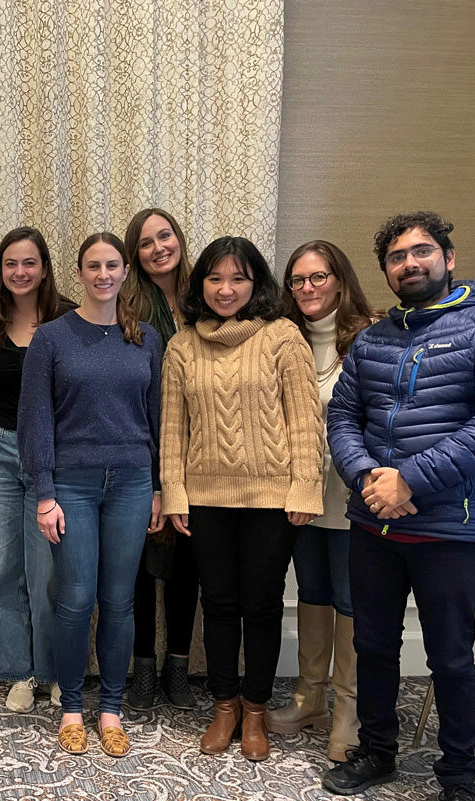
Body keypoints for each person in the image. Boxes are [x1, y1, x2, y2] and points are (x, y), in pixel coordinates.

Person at [324, 212, 475, 801]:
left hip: (452, 529)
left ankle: (460, 779)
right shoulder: (372, 339)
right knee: (373, 647)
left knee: (451, 657)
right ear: (385, 269)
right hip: (375, 525)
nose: (409, 264)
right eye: (396, 256)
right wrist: (369, 478)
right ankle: (379, 752)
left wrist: (410, 480)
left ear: (447, 256)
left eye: (421, 252)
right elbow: (343, 418)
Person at [160, 236, 323, 762]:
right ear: (200, 284)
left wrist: (305, 486)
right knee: (219, 604)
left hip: (272, 500)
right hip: (205, 499)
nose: (226, 289)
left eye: (238, 278)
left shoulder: (283, 337)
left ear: (256, 284)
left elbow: (305, 421)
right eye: (215, 279)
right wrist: (174, 492)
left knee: (262, 603)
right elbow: (172, 430)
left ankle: (255, 709)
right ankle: (224, 705)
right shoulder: (182, 346)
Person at [19, 232, 165, 758]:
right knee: (76, 600)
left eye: (112, 265)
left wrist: (157, 488)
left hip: (131, 483)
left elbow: (157, 418)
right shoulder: (52, 338)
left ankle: (111, 710)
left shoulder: (146, 339)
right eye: (93, 266)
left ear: (126, 272)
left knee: (119, 602)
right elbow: (35, 420)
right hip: (72, 488)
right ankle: (73, 709)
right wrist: (44, 493)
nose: (103, 274)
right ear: (79, 273)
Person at [267, 240, 375, 762]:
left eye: (318, 277)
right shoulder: (283, 341)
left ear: (340, 279)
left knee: (351, 600)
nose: (307, 288)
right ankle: (310, 697)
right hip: (300, 496)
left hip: (355, 496)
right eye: (297, 280)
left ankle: (349, 709)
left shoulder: (371, 337)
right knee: (311, 590)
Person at [0, 226, 73, 712]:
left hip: (48, 460)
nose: (20, 272)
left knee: (46, 572)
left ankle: (53, 671)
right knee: (3, 568)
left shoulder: (68, 320)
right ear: (0, 271)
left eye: (29, 263)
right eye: (10, 264)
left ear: (45, 268)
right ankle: (19, 671)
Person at [121, 207, 202, 711]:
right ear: (135, 254)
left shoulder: (206, 296)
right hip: (145, 443)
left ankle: (178, 666)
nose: (158, 248)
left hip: (204, 449)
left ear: (179, 239)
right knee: (140, 565)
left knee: (187, 562)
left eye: (164, 236)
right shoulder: (128, 306)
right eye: (146, 243)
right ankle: (143, 667)